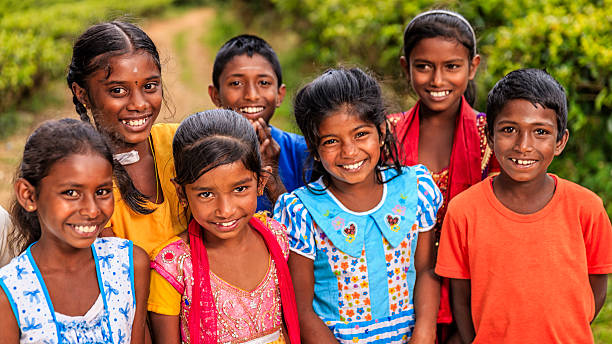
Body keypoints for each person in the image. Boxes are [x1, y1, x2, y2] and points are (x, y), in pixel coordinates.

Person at [435, 69, 612, 343]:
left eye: (540, 132)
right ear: (490, 137)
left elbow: (596, 290)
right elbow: (462, 299)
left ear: (560, 141)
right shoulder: (463, 211)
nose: (523, 145)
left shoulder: (586, 208)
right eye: (509, 130)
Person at [275, 68, 442, 343]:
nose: (349, 151)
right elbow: (301, 310)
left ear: (382, 131)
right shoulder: (302, 211)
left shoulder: (415, 190)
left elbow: (425, 269)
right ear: (313, 148)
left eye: (360, 134)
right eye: (331, 141)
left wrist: (424, 333)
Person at [388, 10, 499, 341]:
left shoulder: (490, 137)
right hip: (399, 293)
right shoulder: (386, 135)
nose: (437, 80)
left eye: (452, 66)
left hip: (473, 288)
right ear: (405, 66)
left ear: (473, 66)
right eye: (424, 66)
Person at [147, 110, 300, 344]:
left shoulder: (277, 238)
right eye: (206, 194)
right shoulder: (173, 266)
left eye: (239, 189)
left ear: (261, 183)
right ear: (182, 193)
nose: (225, 210)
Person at [0, 119, 150, 343]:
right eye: (71, 193)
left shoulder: (130, 264)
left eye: (102, 191)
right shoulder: (10, 294)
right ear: (29, 196)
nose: (91, 210)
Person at [67, 21, 186, 254]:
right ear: (82, 94)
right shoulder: (84, 179)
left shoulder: (181, 144)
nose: (139, 104)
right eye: (118, 91)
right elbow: (117, 273)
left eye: (150, 86)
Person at [208, 34, 311, 212]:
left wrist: (273, 178)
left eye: (263, 82)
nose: (252, 95)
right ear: (215, 95)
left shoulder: (302, 152)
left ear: (280, 94)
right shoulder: (202, 153)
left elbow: (310, 229)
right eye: (236, 83)